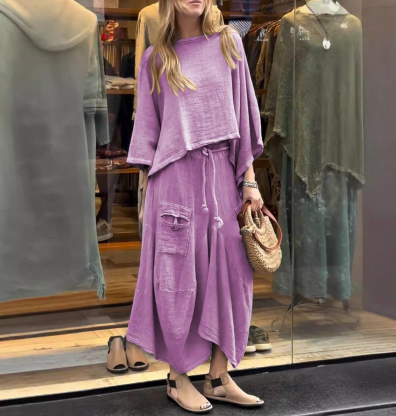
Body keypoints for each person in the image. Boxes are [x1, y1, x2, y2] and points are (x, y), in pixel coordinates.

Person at [126, 0, 264, 412]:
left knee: (232, 275)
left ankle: (219, 377)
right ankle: (177, 377)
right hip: (173, 182)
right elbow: (147, 133)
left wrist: (249, 181)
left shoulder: (229, 43)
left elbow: (244, 118)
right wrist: (146, 201)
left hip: (221, 174)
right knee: (176, 280)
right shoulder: (156, 58)